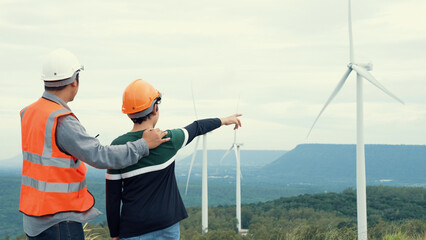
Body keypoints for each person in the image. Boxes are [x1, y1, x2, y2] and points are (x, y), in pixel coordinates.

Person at [19, 49, 170, 240]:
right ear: (75, 80)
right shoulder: (62, 121)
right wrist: (143, 145)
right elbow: (100, 156)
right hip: (58, 219)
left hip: (34, 216)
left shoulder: (29, 112)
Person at [106, 79, 242, 240]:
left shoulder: (118, 147)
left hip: (134, 227)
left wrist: (114, 233)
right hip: (167, 224)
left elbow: (113, 197)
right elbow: (197, 127)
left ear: (128, 113)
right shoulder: (169, 139)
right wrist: (223, 120)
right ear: (155, 108)